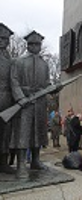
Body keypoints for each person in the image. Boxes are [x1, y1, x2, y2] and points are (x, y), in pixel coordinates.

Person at [10, 30, 50, 178]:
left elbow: (47, 83)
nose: (35, 47)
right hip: (24, 103)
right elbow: (14, 82)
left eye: (38, 44)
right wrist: (20, 98)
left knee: (38, 132)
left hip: (39, 103)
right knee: (23, 133)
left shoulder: (44, 64)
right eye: (32, 44)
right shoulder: (18, 62)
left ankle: (35, 160)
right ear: (28, 45)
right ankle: (21, 165)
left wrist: (54, 87)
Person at [0, 23, 15, 174]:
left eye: (5, 39)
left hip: (6, 101)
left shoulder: (10, 60)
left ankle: (3, 162)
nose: (2, 41)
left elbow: (14, 81)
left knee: (5, 133)